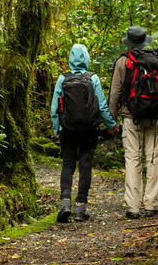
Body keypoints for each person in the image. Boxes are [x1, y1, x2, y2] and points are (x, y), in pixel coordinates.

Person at [50, 44, 119, 223]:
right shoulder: (92, 78)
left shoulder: (62, 79)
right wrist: (111, 124)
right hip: (89, 130)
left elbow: (55, 108)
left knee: (67, 165)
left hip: (68, 130)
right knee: (85, 167)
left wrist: (57, 129)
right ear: (87, 58)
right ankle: (80, 208)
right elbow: (102, 106)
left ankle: (65, 204)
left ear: (70, 58)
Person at [109, 26, 158, 219]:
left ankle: (133, 207)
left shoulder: (122, 62)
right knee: (154, 160)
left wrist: (112, 121)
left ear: (129, 41)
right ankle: (151, 205)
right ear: (144, 42)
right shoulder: (155, 60)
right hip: (155, 117)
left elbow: (115, 93)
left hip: (130, 117)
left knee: (133, 160)